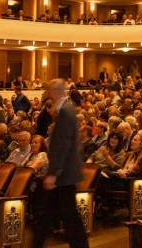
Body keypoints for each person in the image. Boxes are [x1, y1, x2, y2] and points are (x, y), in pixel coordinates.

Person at [33, 79, 89, 248]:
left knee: (66, 215)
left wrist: (53, 173)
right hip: (65, 172)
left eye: (49, 90)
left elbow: (63, 146)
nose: (47, 94)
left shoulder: (65, 111)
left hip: (63, 173)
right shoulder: (66, 109)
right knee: (56, 214)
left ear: (55, 91)